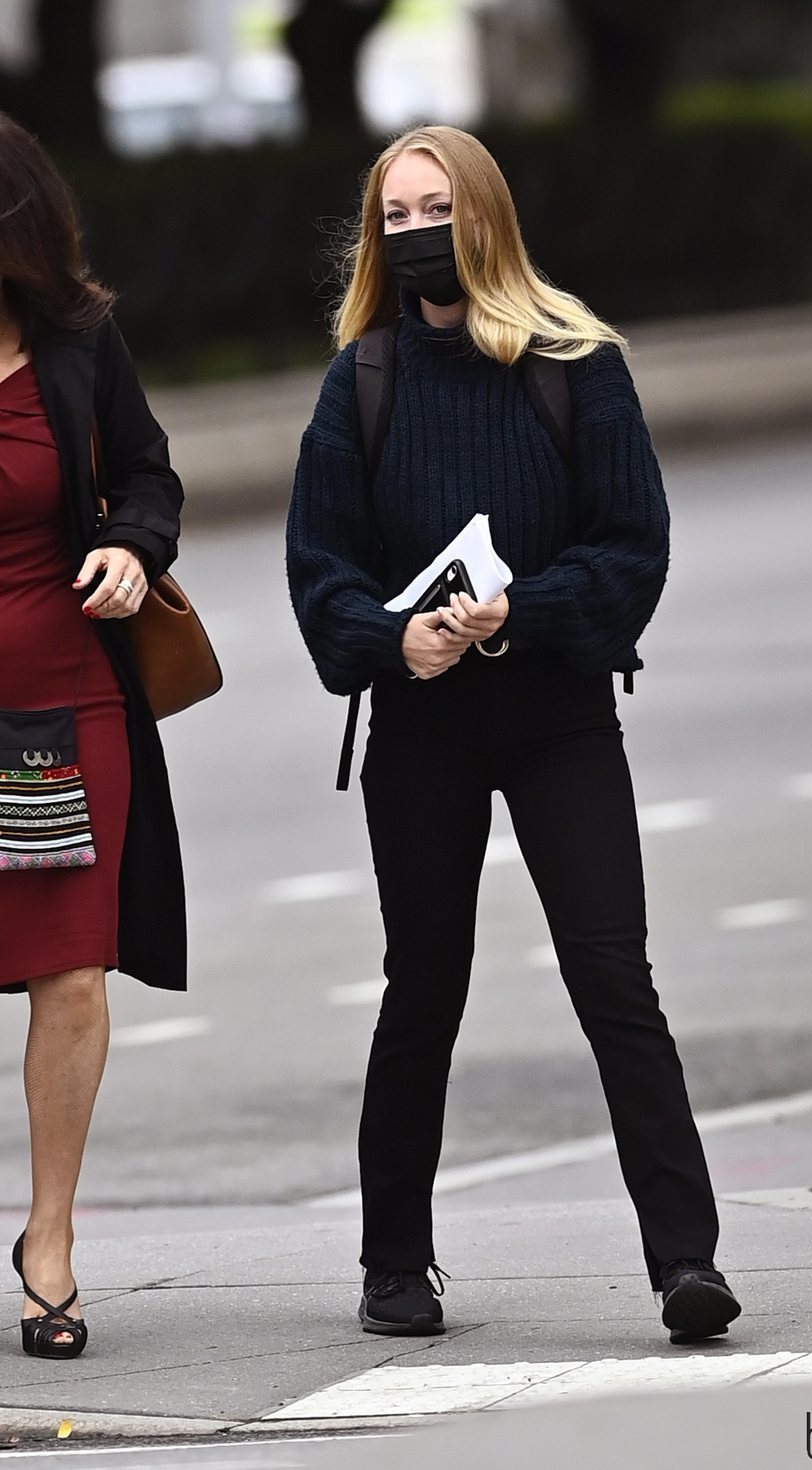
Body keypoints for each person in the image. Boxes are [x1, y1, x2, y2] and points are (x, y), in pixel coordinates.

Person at [287, 125, 741, 1346]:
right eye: (393, 215)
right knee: (422, 986)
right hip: (421, 727)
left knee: (611, 974)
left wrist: (517, 610)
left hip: (558, 718)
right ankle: (395, 1268)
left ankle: (684, 1260)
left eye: (434, 206)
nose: (414, 230)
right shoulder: (362, 381)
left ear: (483, 216)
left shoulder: (572, 361)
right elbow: (318, 571)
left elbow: (631, 548)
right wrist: (396, 643)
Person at [0, 114, 186, 1359]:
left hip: (66, 710)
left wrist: (129, 544)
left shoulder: (76, 347)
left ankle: (50, 1238)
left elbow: (152, 474)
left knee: (71, 972)